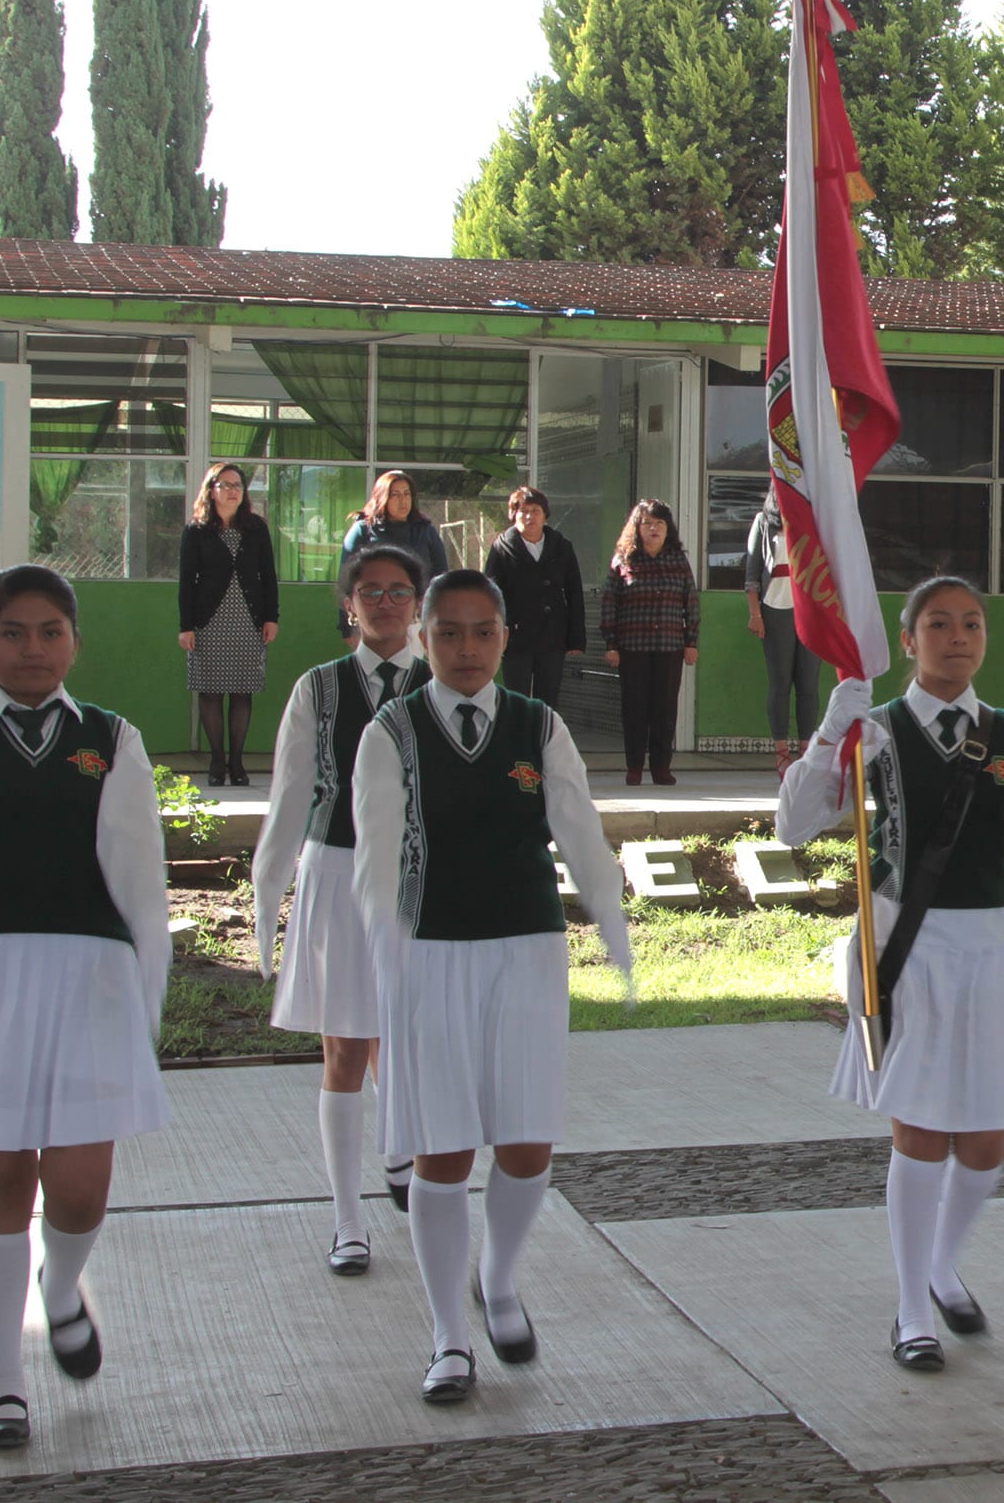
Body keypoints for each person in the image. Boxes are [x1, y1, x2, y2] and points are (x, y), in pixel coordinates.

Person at [776, 578, 1004, 1372]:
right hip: (902, 944)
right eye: (938, 623)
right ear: (908, 635)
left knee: (987, 1140)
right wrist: (832, 727)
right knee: (921, 1130)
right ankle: (910, 1305)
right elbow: (794, 821)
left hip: (987, 944)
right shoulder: (878, 730)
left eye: (971, 623)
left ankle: (939, 1262)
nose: (958, 636)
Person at [0, 566, 172, 1450]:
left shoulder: (112, 739)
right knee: (2, 1179)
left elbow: (142, 890)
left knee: (79, 1190)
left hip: (89, 981)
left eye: (50, 631)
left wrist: (145, 1010)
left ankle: (62, 1286)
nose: (32, 648)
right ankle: (1, 1381)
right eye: (12, 631)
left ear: (74, 642)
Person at [352, 569, 633, 1404]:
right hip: (430, 951)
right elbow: (375, 862)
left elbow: (581, 832)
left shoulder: (539, 727)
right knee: (442, 1150)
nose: (466, 649)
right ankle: (447, 1336)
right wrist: (387, 954)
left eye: (482, 632)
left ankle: (498, 1278)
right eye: (448, 633)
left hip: (527, 949)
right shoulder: (390, 732)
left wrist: (612, 928)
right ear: (424, 638)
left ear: (506, 637)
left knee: (525, 1144)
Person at [250, 546, 432, 1276]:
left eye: (398, 590)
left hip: (422, 882)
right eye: (370, 591)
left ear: (417, 603)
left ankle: (400, 1155)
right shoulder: (318, 690)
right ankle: (347, 1220)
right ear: (348, 605)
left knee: (405, 1041)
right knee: (346, 1046)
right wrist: (268, 896)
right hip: (336, 872)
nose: (385, 602)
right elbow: (291, 793)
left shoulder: (447, 679)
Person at [177, 461, 280, 787]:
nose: (233, 491)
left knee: (241, 692)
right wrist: (186, 625)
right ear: (212, 490)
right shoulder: (196, 530)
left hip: (248, 621)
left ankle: (237, 761)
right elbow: (186, 581)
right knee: (209, 693)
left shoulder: (256, 528)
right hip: (209, 621)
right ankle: (216, 760)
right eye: (225, 485)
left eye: (238, 485)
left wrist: (271, 617)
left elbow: (268, 576)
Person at [599, 499, 699, 787]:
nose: (653, 529)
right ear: (637, 528)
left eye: (659, 524)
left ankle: (661, 768)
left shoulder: (678, 561)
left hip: (670, 647)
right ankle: (634, 767)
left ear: (668, 530)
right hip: (632, 647)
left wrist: (691, 641)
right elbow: (609, 604)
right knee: (635, 709)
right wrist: (611, 644)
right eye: (647, 523)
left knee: (664, 710)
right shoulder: (623, 560)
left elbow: (690, 603)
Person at [482, 486, 584, 710]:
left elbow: (574, 591)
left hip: (552, 634)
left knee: (547, 701)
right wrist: (495, 633)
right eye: (523, 511)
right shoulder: (501, 548)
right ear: (514, 516)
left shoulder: (561, 546)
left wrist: (576, 636)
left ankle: (544, 743)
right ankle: (518, 743)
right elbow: (491, 594)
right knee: (515, 699)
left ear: (545, 514)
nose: (529, 517)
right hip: (516, 636)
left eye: (535, 510)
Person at [745, 490, 821, 775]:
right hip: (775, 609)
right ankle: (781, 752)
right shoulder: (764, 522)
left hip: (811, 612)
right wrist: (755, 614)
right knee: (780, 682)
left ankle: (805, 752)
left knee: (809, 684)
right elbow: (751, 576)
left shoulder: (816, 520)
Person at [342, 469, 451, 584]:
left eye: (406, 493)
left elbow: (441, 577)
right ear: (382, 498)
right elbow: (346, 579)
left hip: (417, 599)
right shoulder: (363, 530)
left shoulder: (426, 531)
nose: (402, 500)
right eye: (395, 495)